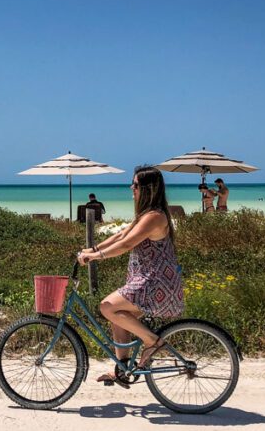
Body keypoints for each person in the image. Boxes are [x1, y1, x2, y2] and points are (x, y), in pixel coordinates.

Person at [78, 166, 185, 388]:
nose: (131, 188)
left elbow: (126, 244)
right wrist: (92, 249)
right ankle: (122, 369)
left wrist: (95, 257)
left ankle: (152, 341)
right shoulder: (145, 215)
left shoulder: (155, 216)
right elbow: (120, 235)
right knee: (119, 315)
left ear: (148, 189)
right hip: (147, 280)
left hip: (156, 283)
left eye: (135, 184)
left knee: (107, 307)